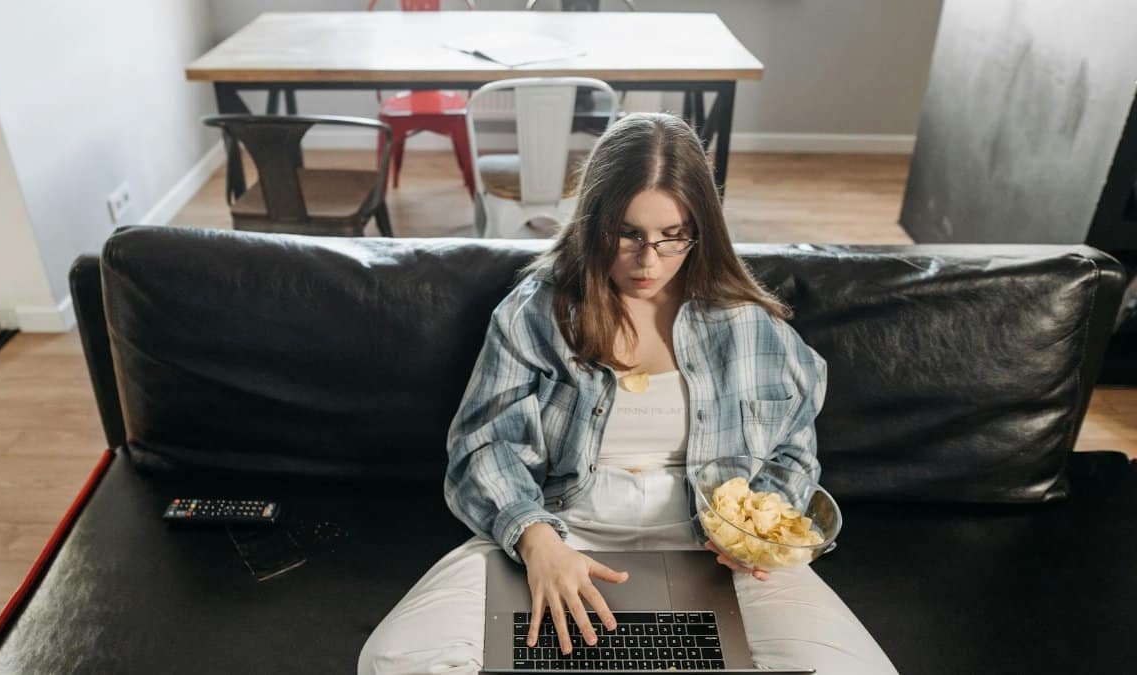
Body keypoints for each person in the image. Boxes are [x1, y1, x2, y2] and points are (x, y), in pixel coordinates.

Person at [358, 113, 897, 675]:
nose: (648, 262)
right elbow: (483, 448)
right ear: (594, 223)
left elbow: (792, 448)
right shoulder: (537, 314)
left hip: (709, 545)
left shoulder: (747, 325)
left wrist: (752, 534)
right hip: (561, 528)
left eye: (673, 238)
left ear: (700, 230)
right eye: (628, 234)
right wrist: (538, 543)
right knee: (396, 661)